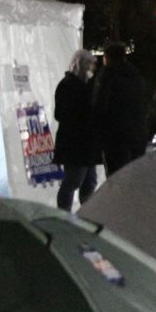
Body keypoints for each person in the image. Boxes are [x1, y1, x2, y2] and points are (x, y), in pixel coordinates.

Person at [52, 49, 103, 211]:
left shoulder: (83, 85)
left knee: (88, 181)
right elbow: (61, 113)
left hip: (84, 143)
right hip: (75, 143)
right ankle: (64, 215)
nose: (91, 68)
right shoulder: (68, 85)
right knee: (74, 181)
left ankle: (85, 214)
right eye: (89, 64)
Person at [94, 41, 150, 176]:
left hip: (115, 136)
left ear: (106, 58)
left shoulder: (107, 74)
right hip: (137, 134)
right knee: (134, 176)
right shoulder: (136, 75)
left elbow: (100, 104)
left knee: (115, 175)